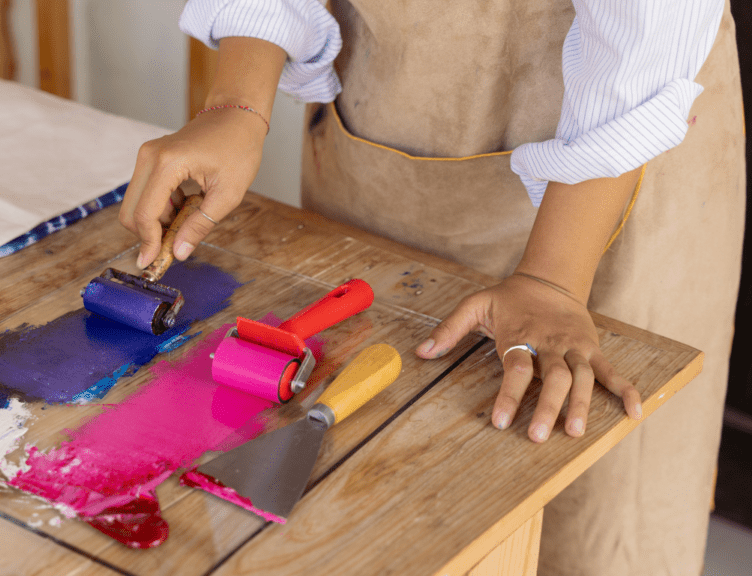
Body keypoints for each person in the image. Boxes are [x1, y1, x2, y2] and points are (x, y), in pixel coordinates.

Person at [118, 1, 745, 574]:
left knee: (585, 519)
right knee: (355, 517)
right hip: (385, 140)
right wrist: (235, 107)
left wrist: (553, 277)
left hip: (619, 163)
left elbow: (643, 40)